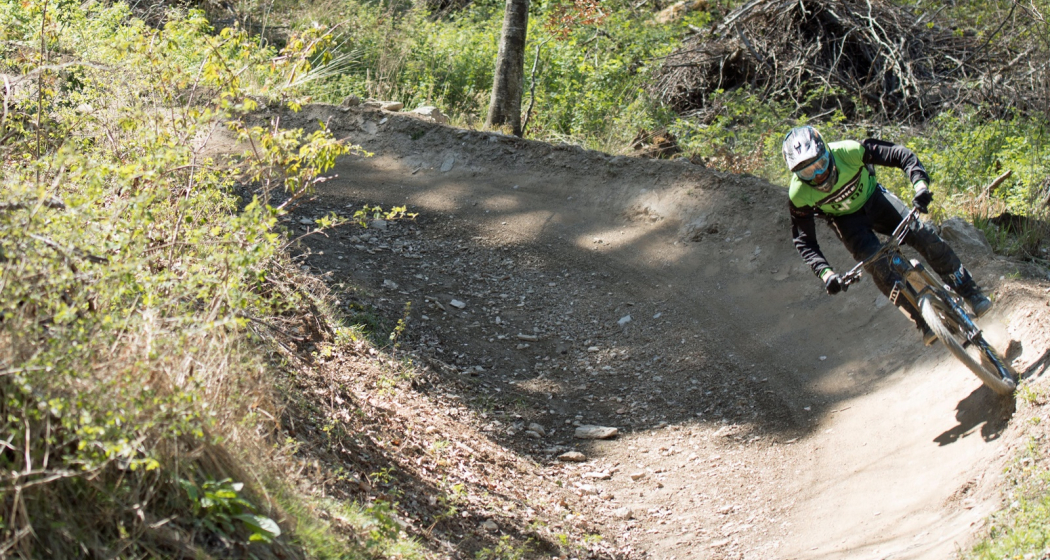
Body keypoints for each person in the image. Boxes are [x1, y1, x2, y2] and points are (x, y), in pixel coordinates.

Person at [781, 125, 992, 345]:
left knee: (923, 235)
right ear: (797, 174)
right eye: (807, 172)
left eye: (820, 164)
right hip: (848, 223)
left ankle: (971, 292)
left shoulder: (849, 151)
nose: (818, 175)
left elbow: (900, 154)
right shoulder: (798, 195)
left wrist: (920, 187)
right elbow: (804, 241)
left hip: (877, 202)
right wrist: (826, 274)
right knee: (879, 268)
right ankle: (923, 321)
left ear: (827, 153)